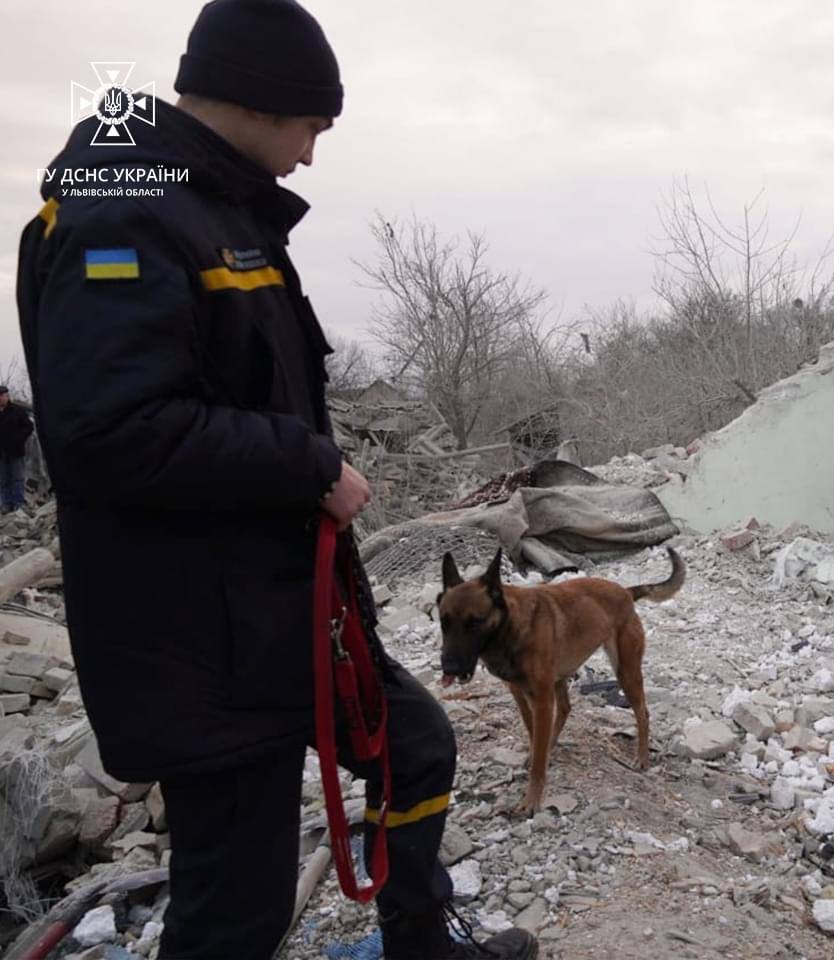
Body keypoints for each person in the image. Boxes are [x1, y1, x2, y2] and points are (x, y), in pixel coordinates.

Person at [15, 2, 537, 958]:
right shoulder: (120, 215)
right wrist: (310, 465)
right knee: (238, 902)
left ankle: (419, 940)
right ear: (263, 101)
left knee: (413, 740)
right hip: (195, 639)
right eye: (312, 128)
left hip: (280, 614)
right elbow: (110, 430)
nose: (308, 157)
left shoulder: (207, 207)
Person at [0, 386, 34, 513]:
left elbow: (29, 427)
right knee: (3, 479)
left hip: (16, 450)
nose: (0, 399)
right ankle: (6, 503)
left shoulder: (17, 410)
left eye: (2, 396)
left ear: (6, 396)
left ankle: (18, 502)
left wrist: (18, 439)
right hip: (1, 452)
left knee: (17, 477)